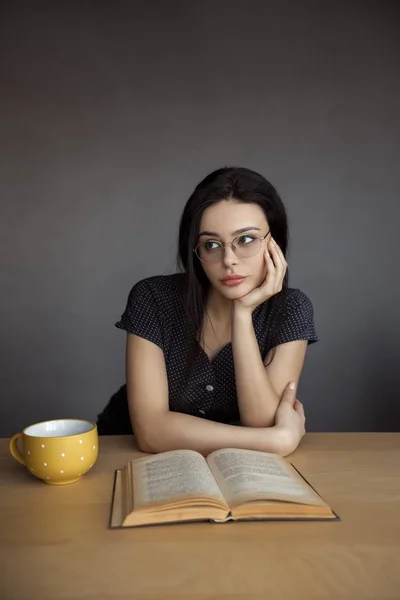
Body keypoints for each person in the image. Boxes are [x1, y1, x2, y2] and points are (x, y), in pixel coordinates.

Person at [97, 167, 318, 456]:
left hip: (236, 470)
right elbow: (151, 433)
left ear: (274, 242)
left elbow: (260, 421)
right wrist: (277, 440)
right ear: (195, 250)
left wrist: (242, 313)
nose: (229, 260)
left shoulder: (292, 308)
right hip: (125, 455)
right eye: (211, 244)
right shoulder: (152, 298)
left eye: (246, 239)